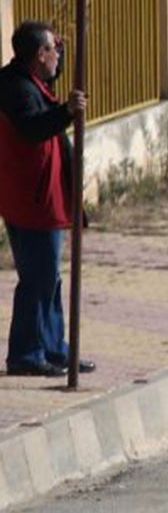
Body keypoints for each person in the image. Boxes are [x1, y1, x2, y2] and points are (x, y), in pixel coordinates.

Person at [0, 23, 87, 377]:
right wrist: (66, 110)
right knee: (38, 277)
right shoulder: (16, 88)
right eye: (53, 50)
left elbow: (50, 76)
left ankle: (53, 348)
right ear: (39, 55)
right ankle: (27, 354)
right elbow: (34, 127)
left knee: (48, 277)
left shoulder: (26, 77)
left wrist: (59, 52)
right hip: (31, 199)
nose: (58, 57)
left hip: (40, 197)